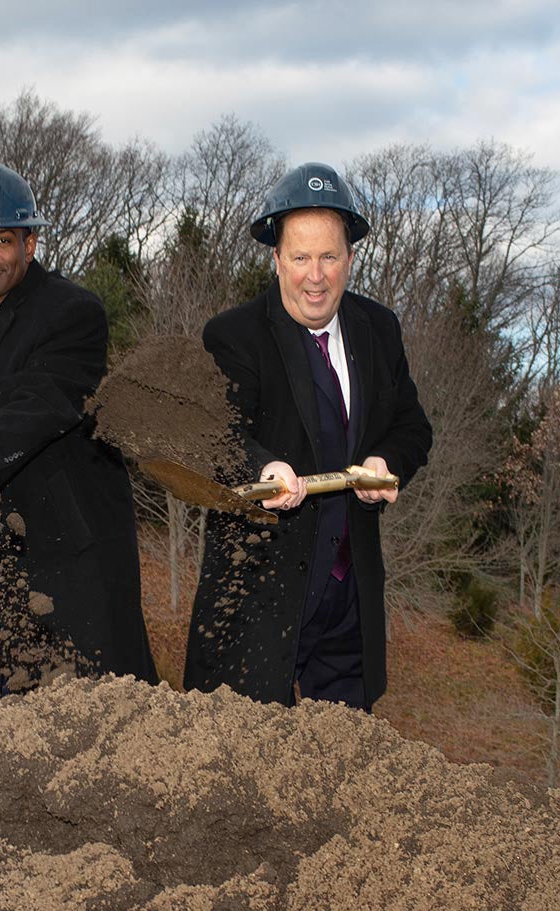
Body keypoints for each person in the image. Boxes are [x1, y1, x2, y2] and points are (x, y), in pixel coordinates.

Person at [183, 163, 433, 710]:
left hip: (349, 602)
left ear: (350, 258)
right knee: (246, 771)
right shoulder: (233, 336)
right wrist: (262, 468)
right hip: (259, 599)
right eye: (300, 258)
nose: (314, 276)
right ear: (276, 260)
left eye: (328, 257)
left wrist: (386, 459)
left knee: (342, 771)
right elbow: (213, 435)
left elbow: (413, 426)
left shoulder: (380, 329)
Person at [0, 160, 156, 721]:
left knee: (98, 717)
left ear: (29, 240)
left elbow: (45, 400)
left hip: (77, 549)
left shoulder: (73, 312)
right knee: (7, 721)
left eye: (3, 240)